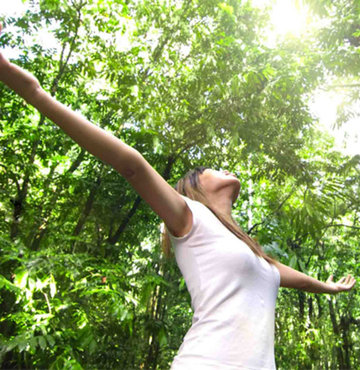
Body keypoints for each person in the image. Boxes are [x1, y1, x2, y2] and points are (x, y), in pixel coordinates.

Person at [0, 24, 356, 369]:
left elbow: (290, 275)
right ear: (196, 186)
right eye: (212, 168)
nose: (225, 168)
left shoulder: (255, 254)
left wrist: (330, 287)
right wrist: (35, 93)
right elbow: (133, 165)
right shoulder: (189, 216)